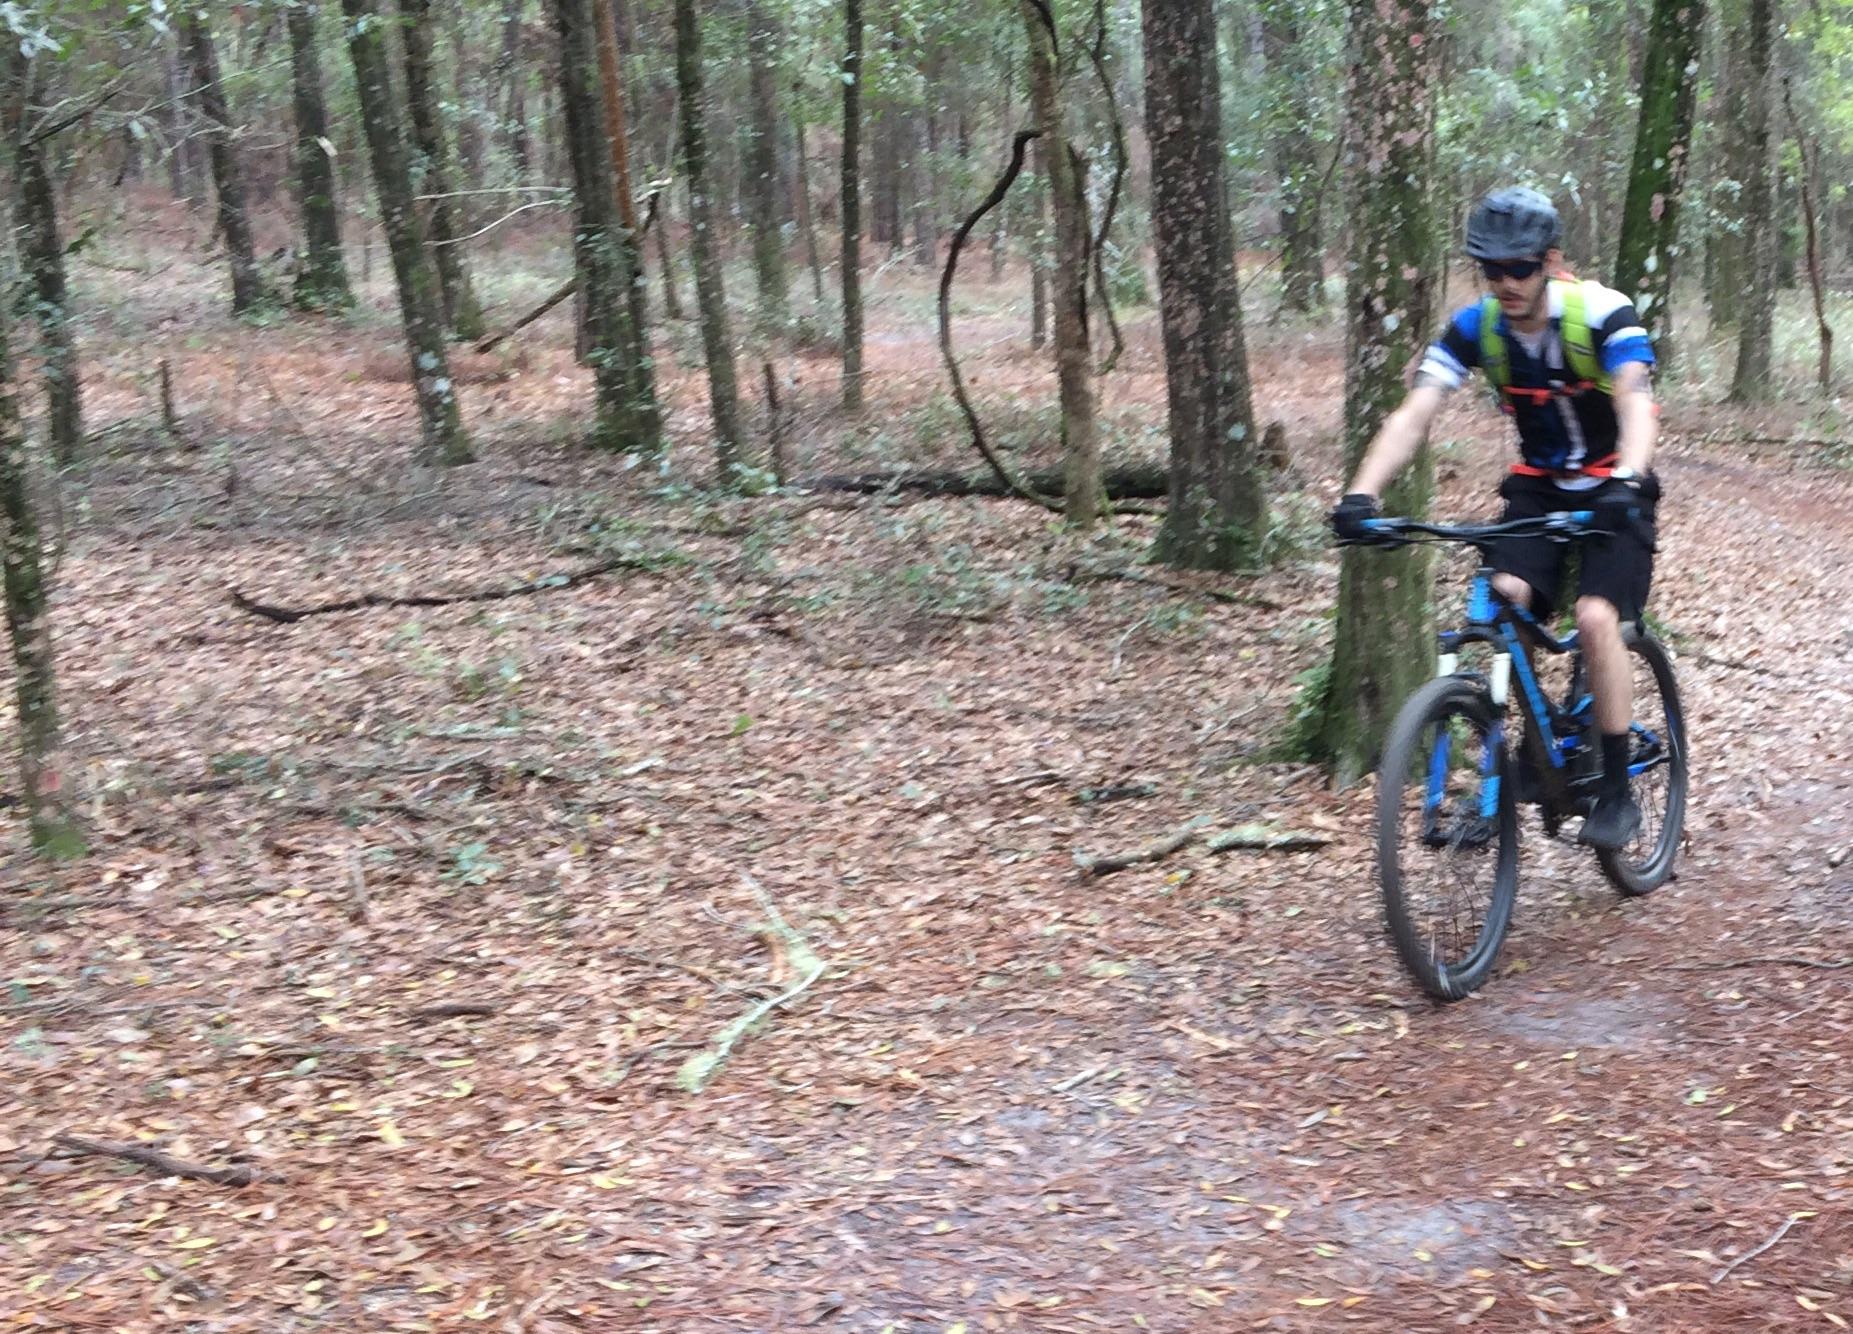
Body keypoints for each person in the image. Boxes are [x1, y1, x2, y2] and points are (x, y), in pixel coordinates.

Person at [1329, 186, 1660, 851]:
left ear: (1550, 262)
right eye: (1491, 269)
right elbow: (1413, 413)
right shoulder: (1474, 329)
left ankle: (1617, 789)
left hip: (1614, 489)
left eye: (1519, 267)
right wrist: (1360, 495)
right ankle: (1533, 746)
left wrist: (1627, 477)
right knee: (1503, 599)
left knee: (1597, 618)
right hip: (1537, 492)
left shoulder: (1601, 314)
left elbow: (1635, 399)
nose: (1505, 282)